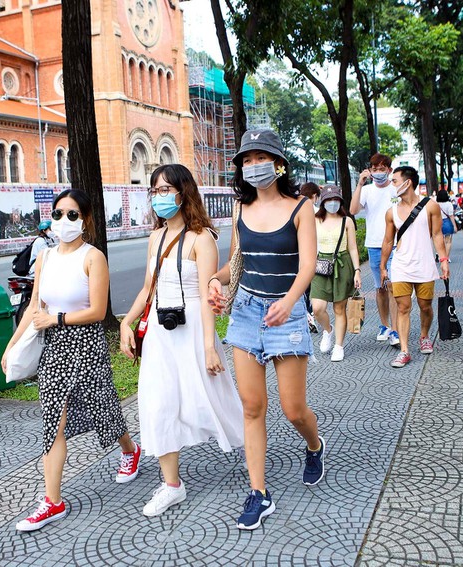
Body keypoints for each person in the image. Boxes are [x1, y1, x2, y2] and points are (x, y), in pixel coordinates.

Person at [2, 189, 140, 533]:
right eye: (58, 214)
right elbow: (35, 306)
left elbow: (98, 311)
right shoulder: (45, 257)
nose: (64, 220)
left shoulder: (93, 257)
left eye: (72, 214)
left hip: (87, 345)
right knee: (54, 422)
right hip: (54, 350)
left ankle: (129, 449)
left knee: (103, 406)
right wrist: (11, 345)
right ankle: (53, 501)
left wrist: (57, 319)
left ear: (86, 220)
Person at [207, 129, 324, 531]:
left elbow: (308, 265)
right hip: (246, 312)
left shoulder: (301, 207)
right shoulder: (240, 208)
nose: (253, 165)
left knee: (293, 409)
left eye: (261, 157)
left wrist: (290, 303)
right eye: (247, 159)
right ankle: (258, 493)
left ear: (278, 163)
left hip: (285, 314)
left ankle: (314, 445)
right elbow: (237, 262)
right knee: (252, 407)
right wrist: (216, 281)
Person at [120, 164, 244, 517]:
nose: (158, 197)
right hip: (161, 333)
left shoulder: (202, 238)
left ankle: (254, 449)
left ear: (182, 192)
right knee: (157, 403)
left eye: (165, 190)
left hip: (193, 330)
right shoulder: (155, 237)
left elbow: (207, 294)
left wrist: (209, 346)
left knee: (215, 400)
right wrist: (126, 322)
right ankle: (172, 484)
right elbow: (148, 288)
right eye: (154, 191)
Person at [380, 166, 449, 368]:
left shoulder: (430, 206)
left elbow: (437, 234)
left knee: (425, 306)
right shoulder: (391, 212)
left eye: (394, 181)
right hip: (401, 266)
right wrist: (383, 266)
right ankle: (404, 350)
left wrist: (444, 260)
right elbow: (387, 241)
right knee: (403, 307)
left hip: (424, 265)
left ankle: (424, 336)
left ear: (407, 182)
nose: (392, 184)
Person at [350, 153, 400, 347]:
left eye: (382, 169)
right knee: (380, 288)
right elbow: (353, 210)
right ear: (370, 170)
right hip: (374, 245)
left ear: (389, 170)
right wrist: (359, 184)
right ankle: (384, 325)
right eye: (375, 169)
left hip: (394, 245)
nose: (378, 172)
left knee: (393, 287)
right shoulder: (366, 190)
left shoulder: (395, 189)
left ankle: (395, 329)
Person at [310, 185, 361, 362]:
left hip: (342, 264)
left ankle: (339, 346)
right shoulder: (315, 220)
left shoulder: (347, 221)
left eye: (335, 199)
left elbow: (353, 248)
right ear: (323, 201)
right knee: (317, 308)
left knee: (339, 308)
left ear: (340, 201)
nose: (332, 203)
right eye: (329, 199)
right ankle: (328, 330)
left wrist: (357, 271)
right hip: (321, 265)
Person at [299, 182, 323, 332]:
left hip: (298, 257)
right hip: (314, 256)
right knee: (310, 289)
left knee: (302, 288)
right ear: (315, 196)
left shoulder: (294, 209)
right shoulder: (317, 212)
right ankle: (309, 313)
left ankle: (306, 314)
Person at [436, 190, 457, 258]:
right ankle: (446, 257)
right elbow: (451, 216)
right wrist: (454, 226)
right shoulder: (449, 204)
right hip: (447, 222)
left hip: (437, 223)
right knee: (448, 241)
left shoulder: (435, 204)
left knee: (439, 240)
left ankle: (439, 255)